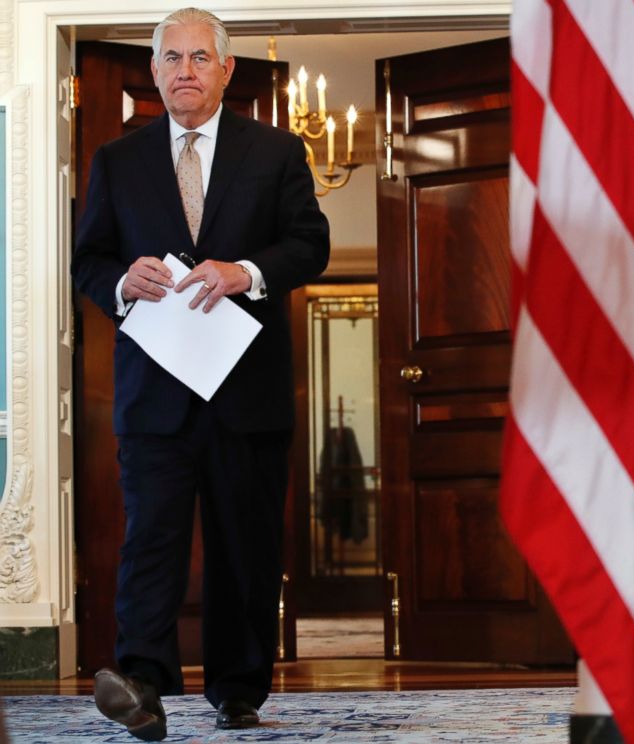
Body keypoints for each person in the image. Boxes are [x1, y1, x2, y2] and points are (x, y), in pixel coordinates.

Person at [71, 7, 329, 741]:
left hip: (247, 396)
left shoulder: (277, 152)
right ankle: (144, 683)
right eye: (172, 58)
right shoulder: (117, 162)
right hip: (153, 397)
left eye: (199, 58)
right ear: (154, 72)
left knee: (244, 546)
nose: (185, 70)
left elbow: (309, 244)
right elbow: (86, 262)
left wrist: (243, 270)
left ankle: (238, 691)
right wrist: (124, 282)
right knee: (150, 542)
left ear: (225, 70)